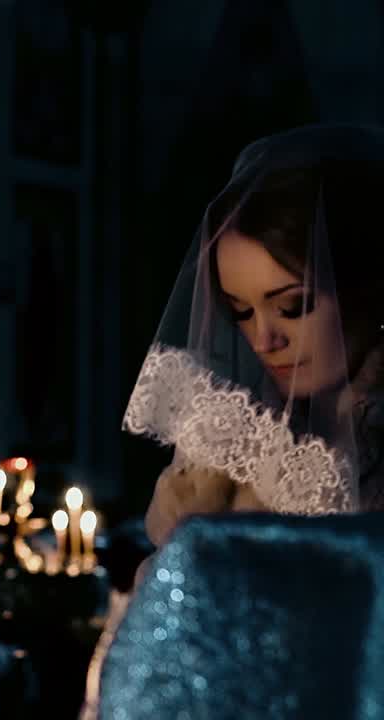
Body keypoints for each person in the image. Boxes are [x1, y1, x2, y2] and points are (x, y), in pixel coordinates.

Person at [80, 124, 384, 718]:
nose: (266, 338)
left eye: (293, 304)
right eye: (240, 311)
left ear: (364, 288)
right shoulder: (224, 460)